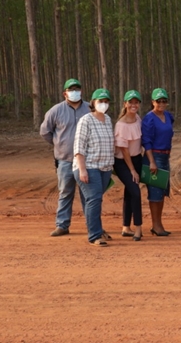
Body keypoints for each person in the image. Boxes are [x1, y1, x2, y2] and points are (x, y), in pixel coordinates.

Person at [40, 78, 90, 237]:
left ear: (81, 91)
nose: (74, 92)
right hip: (65, 160)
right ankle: (62, 225)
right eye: (71, 89)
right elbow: (45, 132)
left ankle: (92, 225)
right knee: (65, 193)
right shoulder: (55, 111)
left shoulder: (90, 108)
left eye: (77, 89)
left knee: (88, 194)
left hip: (86, 160)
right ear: (65, 93)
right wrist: (58, 144)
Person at [73, 88, 114, 247]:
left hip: (104, 168)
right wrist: (82, 169)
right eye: (100, 101)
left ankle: (97, 229)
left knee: (92, 200)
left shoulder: (108, 120)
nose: (103, 104)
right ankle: (95, 235)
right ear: (93, 103)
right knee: (94, 198)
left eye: (106, 101)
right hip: (89, 167)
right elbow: (79, 147)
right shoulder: (86, 120)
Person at [113, 90, 144, 241]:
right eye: (130, 102)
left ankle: (126, 227)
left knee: (129, 193)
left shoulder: (138, 119)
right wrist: (132, 170)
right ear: (125, 104)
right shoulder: (121, 124)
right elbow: (124, 151)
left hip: (137, 159)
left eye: (136, 102)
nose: (133, 105)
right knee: (136, 192)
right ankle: (138, 228)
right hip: (123, 163)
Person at [142, 88, 173, 237]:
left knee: (162, 192)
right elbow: (146, 141)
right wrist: (152, 161)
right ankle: (155, 225)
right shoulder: (149, 118)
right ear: (152, 102)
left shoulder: (168, 116)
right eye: (158, 101)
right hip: (154, 156)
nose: (161, 103)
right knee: (155, 192)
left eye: (164, 101)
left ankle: (159, 223)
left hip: (165, 156)